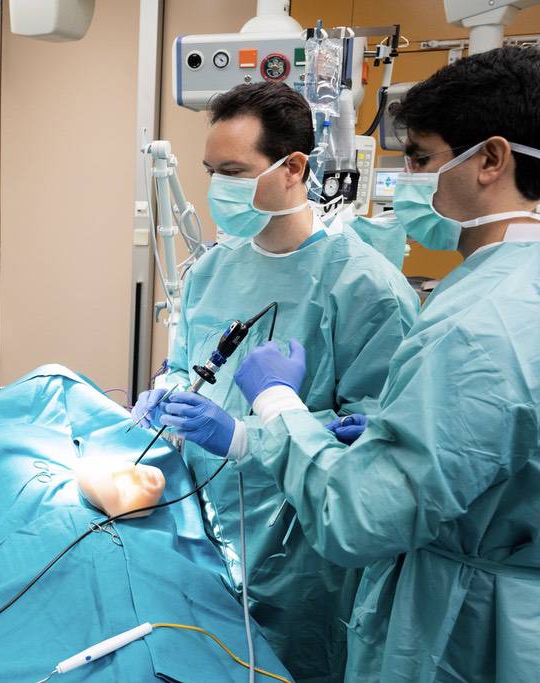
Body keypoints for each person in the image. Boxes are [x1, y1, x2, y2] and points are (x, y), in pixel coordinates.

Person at [178, 46, 540, 682]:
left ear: (490, 159)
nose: (410, 181)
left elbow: (364, 512)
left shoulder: (469, 317)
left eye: (420, 159)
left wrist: (269, 415)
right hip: (215, 526)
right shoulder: (503, 290)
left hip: (455, 613)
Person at [131, 82, 419, 683]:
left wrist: (243, 436)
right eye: (211, 171)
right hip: (198, 517)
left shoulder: (365, 288)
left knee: (288, 664)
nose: (217, 187)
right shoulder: (212, 268)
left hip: (299, 545)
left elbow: (377, 436)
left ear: (293, 168)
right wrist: (170, 391)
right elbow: (187, 361)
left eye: (234, 172)